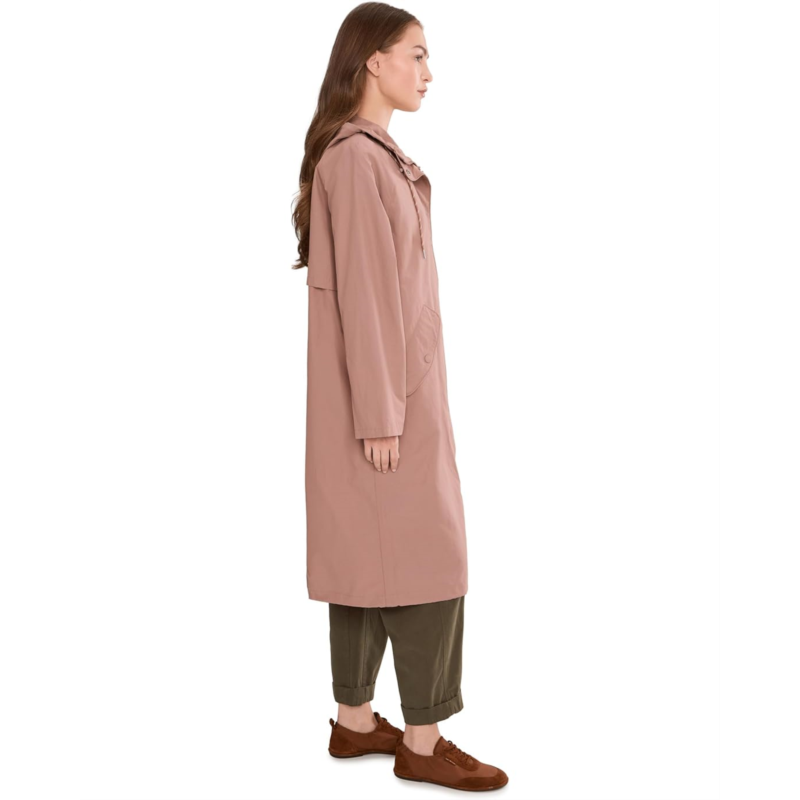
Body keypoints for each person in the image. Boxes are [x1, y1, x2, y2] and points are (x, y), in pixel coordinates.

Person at [291, 3, 508, 791]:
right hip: (387, 406)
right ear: (372, 61)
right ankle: (423, 738)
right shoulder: (358, 161)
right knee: (430, 557)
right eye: (417, 54)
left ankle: (354, 723)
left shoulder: (370, 159)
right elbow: (370, 299)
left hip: (389, 395)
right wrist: (382, 415)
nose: (428, 72)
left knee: (362, 551)